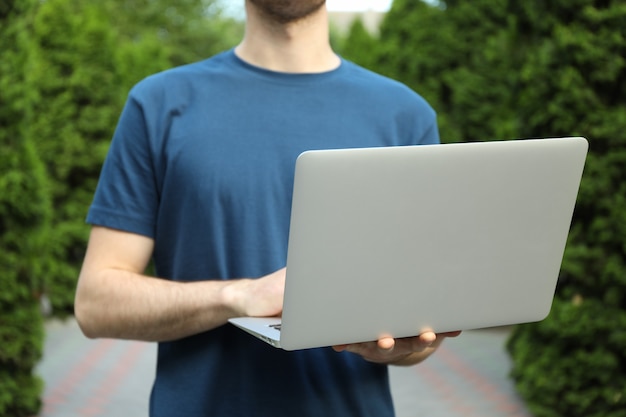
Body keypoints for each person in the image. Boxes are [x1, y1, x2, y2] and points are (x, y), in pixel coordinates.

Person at [75, 1, 460, 416]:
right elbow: (96, 303)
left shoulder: (405, 116)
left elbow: (420, 327)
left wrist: (401, 349)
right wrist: (237, 297)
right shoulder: (158, 104)